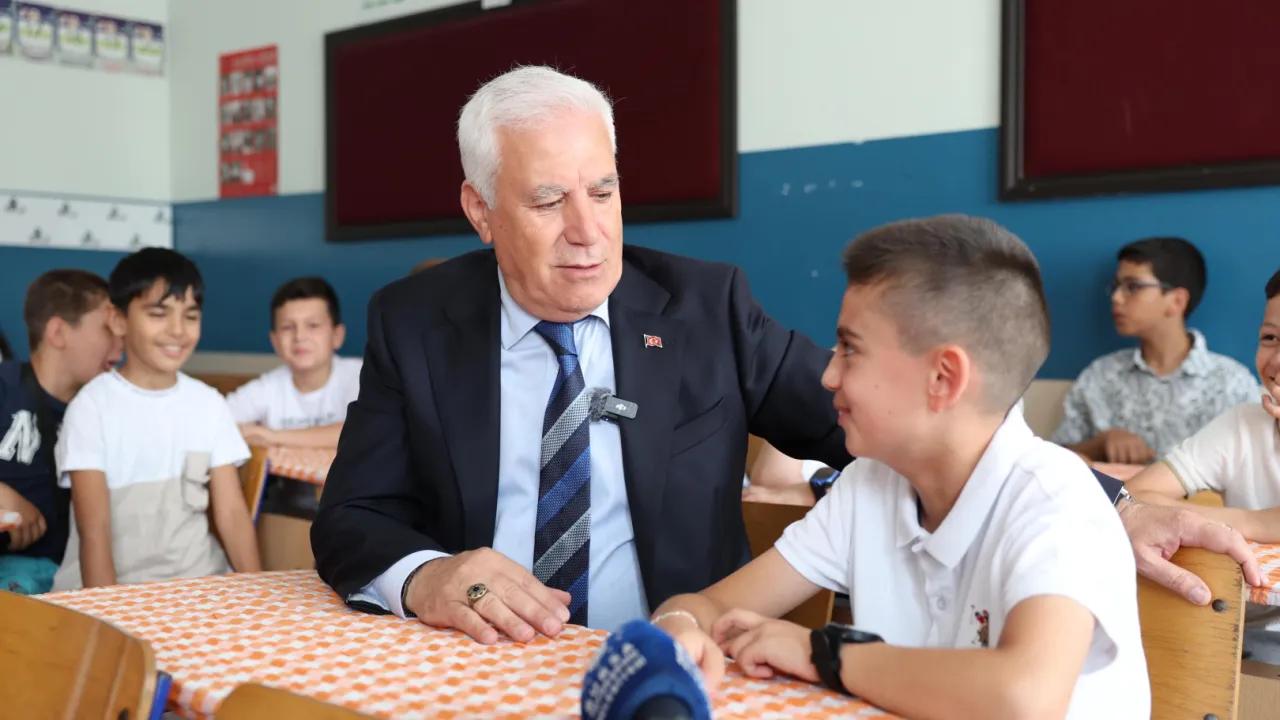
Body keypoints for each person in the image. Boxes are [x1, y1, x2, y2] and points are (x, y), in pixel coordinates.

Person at [312, 66, 1261, 644]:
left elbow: (919, 427)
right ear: (480, 211)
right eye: (548, 201)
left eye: (603, 191)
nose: (588, 232)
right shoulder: (415, 322)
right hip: (475, 662)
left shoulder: (704, 307)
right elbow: (352, 517)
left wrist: (1113, 508)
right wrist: (429, 577)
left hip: (671, 663)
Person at [651, 216, 1149, 718]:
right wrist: (680, 624)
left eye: (850, 350)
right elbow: (707, 607)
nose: (828, 376)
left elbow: (1024, 698)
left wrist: (825, 655)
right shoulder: (870, 484)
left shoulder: (1055, 499)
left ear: (943, 377)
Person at [53, 248, 261, 589]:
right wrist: (110, 612)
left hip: (198, 584)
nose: (177, 331)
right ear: (118, 320)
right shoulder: (91, 407)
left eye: (190, 316)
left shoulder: (209, 404)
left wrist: (257, 594)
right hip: (115, 591)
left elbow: (232, 514)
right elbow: (95, 532)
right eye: (158, 314)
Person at [1125, 266, 1280, 661]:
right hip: (1239, 641)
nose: (1277, 361)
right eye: (1270, 338)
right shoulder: (1244, 424)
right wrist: (1255, 521)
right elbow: (1138, 495)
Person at [1053, 237, 1258, 463]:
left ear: (1177, 301)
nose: (1116, 298)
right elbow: (1053, 462)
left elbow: (1255, 467)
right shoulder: (1099, 376)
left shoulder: (1232, 385)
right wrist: (1100, 444)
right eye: (1116, 286)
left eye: (1132, 286)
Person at [0, 270, 121, 593]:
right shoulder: (5, 386)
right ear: (58, 333)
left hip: (73, 576)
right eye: (109, 328)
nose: (122, 340)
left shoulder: (113, 408)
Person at [226, 276, 361, 448]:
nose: (300, 336)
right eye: (288, 327)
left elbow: (362, 431)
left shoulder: (362, 377)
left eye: (313, 325)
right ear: (275, 341)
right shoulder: (267, 387)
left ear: (337, 335)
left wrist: (271, 436)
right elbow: (215, 423)